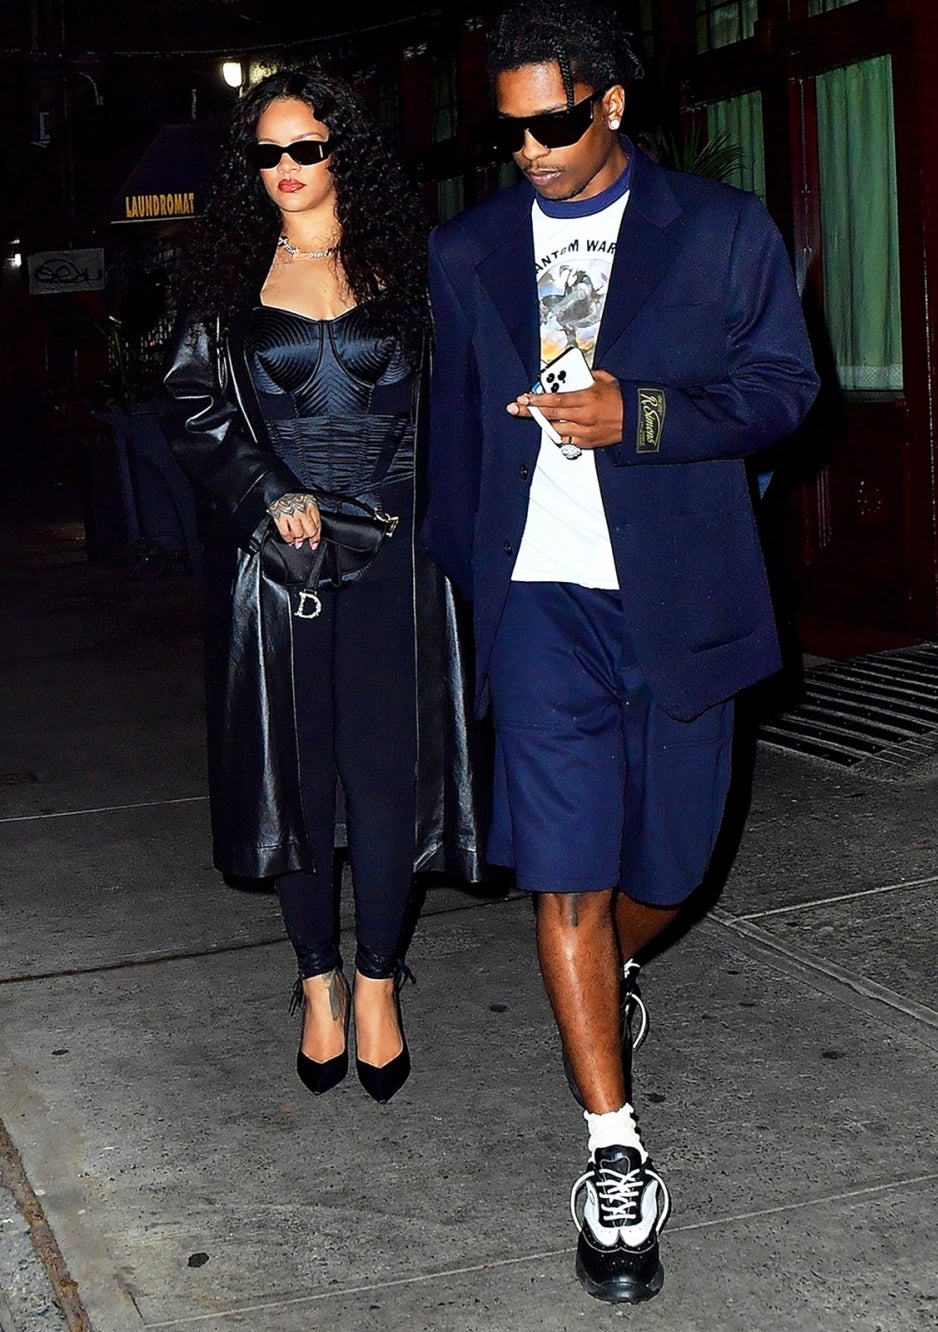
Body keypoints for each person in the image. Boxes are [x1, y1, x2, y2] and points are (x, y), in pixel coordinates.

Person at [422, 0, 819, 1305]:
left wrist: (634, 416)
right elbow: (453, 433)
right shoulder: (469, 248)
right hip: (539, 601)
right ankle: (612, 1152)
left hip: (679, 597)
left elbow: (781, 390)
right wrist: (462, 581)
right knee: (566, 875)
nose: (528, 151)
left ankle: (612, 966)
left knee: (673, 863)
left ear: (608, 104)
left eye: (551, 124)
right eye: (510, 130)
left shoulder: (719, 230)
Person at [161, 67, 483, 1105]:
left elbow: (466, 398)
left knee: (387, 777)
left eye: (306, 146)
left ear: (346, 150)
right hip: (281, 562)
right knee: (296, 779)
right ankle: (315, 981)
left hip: (400, 556)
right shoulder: (224, 281)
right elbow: (192, 409)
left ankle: (379, 978)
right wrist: (265, 491)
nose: (287, 168)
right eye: (267, 153)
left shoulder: (416, 268)